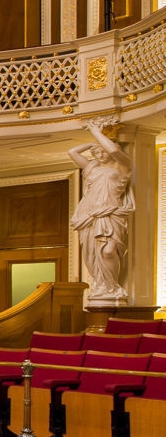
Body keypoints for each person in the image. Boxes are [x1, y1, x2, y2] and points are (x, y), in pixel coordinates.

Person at [70, 121, 134, 304]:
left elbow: (113, 150)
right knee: (91, 256)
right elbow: (72, 152)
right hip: (89, 216)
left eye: (102, 151)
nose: (100, 155)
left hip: (111, 214)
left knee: (108, 251)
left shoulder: (122, 167)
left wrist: (95, 132)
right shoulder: (92, 168)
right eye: (96, 153)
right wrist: (92, 143)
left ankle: (112, 286)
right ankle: (101, 285)